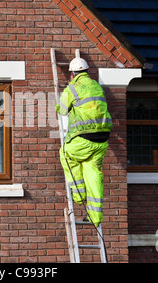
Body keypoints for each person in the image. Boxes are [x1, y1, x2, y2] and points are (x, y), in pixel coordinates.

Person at [56, 56, 112, 227]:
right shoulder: (96, 86)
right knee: (93, 172)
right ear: (87, 72)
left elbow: (61, 110)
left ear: (72, 74)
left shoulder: (72, 87)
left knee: (66, 155)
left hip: (84, 136)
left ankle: (79, 194)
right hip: (102, 138)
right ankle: (95, 217)